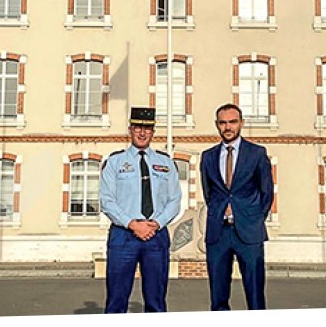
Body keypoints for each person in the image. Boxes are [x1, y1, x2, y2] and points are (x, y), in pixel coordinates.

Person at [99, 107, 182, 313]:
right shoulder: (114, 162)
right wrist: (132, 224)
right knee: (117, 300)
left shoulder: (166, 163)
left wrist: (156, 223)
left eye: (147, 128)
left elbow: (174, 200)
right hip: (123, 235)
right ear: (130, 129)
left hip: (156, 235)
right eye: (138, 127)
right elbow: (107, 200)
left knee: (156, 301)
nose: (142, 132)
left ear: (153, 131)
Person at [199, 103, 274, 310]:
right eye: (223, 123)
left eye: (232, 122)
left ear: (241, 123)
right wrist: (220, 213)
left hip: (249, 233)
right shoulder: (208, 156)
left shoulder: (257, 153)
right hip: (218, 233)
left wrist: (254, 219)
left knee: (255, 294)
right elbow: (209, 193)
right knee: (218, 295)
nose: (228, 127)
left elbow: (267, 192)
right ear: (217, 125)